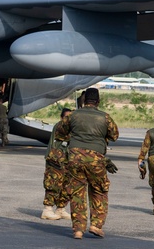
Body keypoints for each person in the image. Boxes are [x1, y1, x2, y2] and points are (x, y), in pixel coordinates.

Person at [53, 87, 119, 240]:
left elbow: (59, 132)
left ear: (83, 100)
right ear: (98, 101)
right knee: (99, 191)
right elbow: (114, 135)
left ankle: (78, 229)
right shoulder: (105, 117)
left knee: (77, 193)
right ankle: (96, 224)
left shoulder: (73, 115)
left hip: (75, 158)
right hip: (96, 159)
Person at [41, 107, 72, 220]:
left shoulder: (70, 128)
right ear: (61, 118)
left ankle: (61, 209)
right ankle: (47, 209)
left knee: (67, 185)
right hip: (55, 160)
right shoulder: (60, 127)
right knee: (53, 184)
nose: (68, 120)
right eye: (66, 117)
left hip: (66, 160)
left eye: (70, 118)